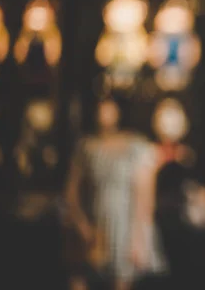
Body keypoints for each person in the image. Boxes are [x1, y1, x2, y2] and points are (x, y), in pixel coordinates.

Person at [65, 99, 166, 290]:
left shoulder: (137, 146)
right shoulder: (87, 146)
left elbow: (145, 196)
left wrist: (139, 237)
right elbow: (72, 190)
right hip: (94, 226)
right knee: (80, 277)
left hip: (124, 225)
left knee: (121, 279)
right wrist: (81, 222)